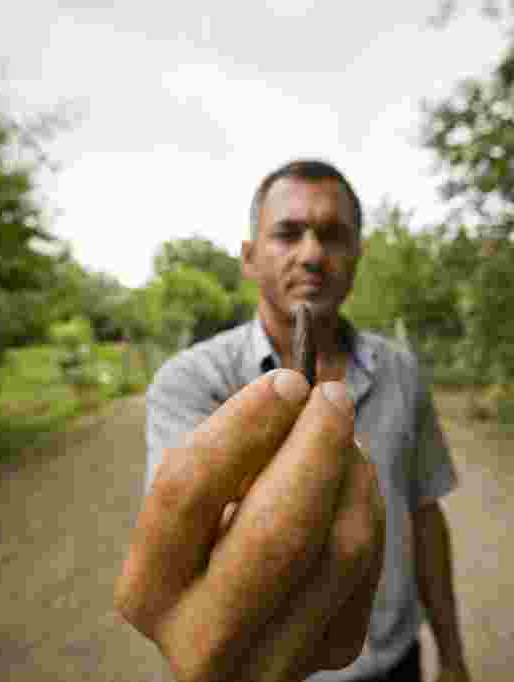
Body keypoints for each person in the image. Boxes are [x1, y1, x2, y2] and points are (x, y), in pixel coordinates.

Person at [115, 159, 471, 682]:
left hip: (395, 663)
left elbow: (424, 514)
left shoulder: (399, 369)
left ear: (358, 254)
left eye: (332, 235)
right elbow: (179, 555)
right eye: (287, 234)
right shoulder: (190, 382)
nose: (311, 255)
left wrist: (454, 656)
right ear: (249, 256)